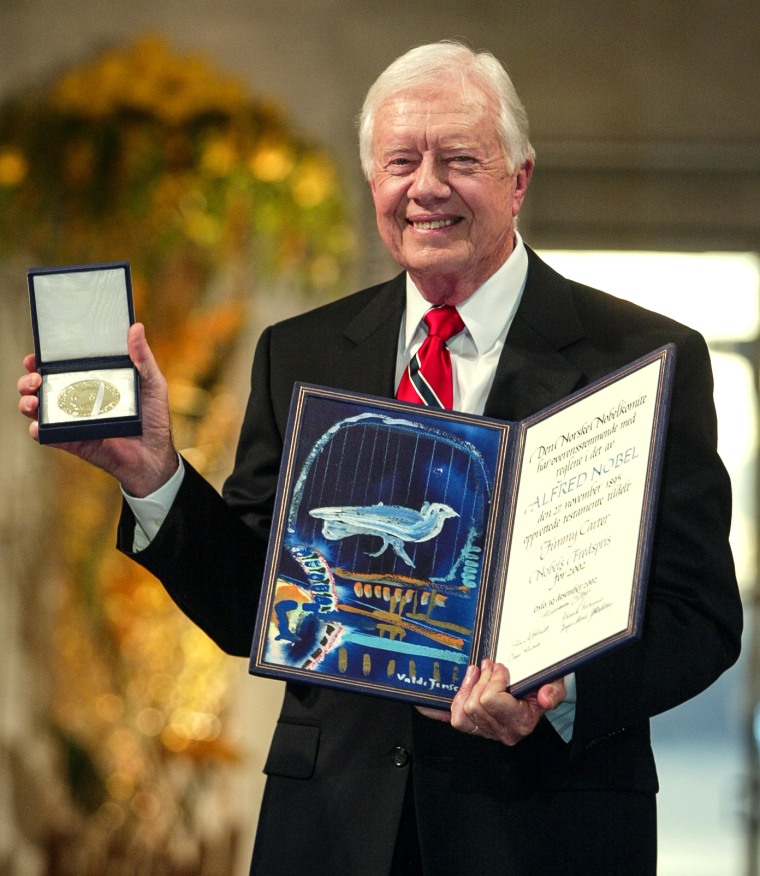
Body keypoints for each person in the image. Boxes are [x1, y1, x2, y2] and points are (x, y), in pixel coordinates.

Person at [19, 41, 742, 875]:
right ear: (373, 184)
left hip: (545, 827)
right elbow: (256, 601)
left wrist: (560, 696)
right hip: (333, 830)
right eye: (401, 161)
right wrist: (152, 476)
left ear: (520, 178)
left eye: (460, 158)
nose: (426, 187)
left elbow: (701, 617)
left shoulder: (644, 358)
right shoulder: (301, 353)